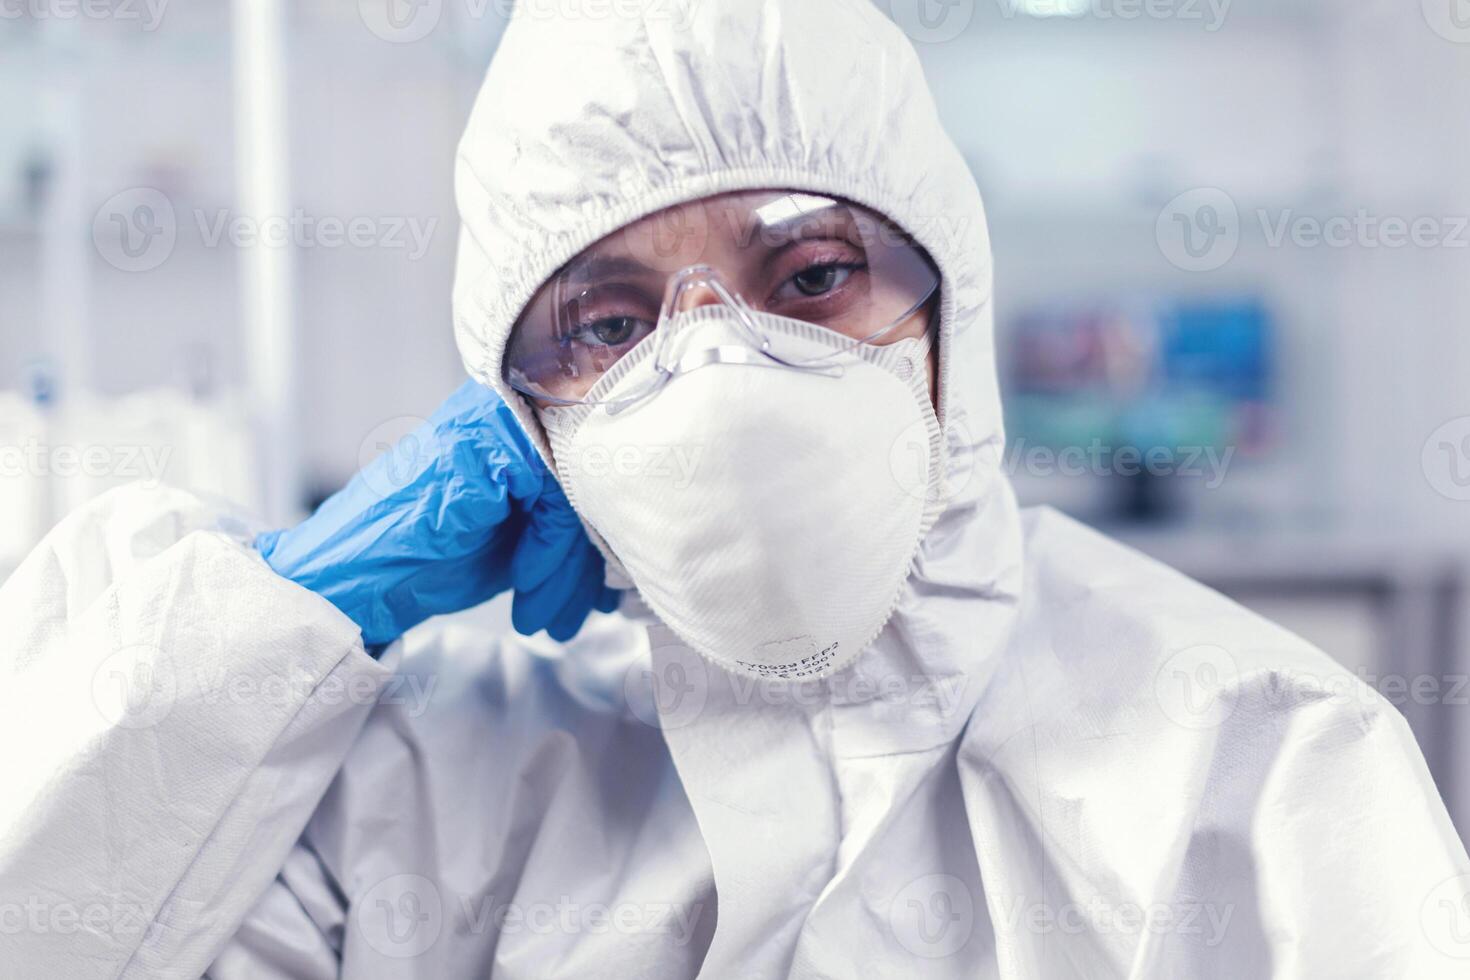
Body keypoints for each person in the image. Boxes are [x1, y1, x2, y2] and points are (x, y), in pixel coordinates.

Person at [2, 1, 1466, 977]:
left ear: (948, 310)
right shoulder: (429, 786)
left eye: (813, 276)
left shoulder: (1253, 771)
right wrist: (276, 626)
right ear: (521, 410)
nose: (718, 375)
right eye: (610, 323)